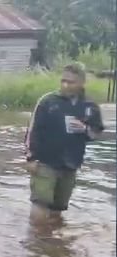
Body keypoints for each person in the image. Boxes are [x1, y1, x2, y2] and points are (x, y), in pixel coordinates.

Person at [24, 63, 104, 222]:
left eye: (70, 82)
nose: (65, 85)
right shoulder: (47, 101)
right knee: (40, 205)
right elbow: (33, 131)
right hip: (45, 163)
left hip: (71, 164)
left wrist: (85, 129)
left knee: (58, 210)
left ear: (81, 83)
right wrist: (30, 158)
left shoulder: (90, 106)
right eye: (63, 81)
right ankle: (35, 242)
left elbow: (96, 132)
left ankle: (53, 244)